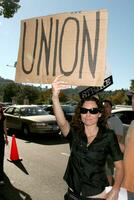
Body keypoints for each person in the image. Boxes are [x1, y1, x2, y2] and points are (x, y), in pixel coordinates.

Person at [52, 75, 124, 200]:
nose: (88, 115)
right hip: (72, 194)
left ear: (99, 114)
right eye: (84, 111)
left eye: (93, 111)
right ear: (80, 114)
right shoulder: (75, 133)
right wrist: (55, 97)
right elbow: (62, 123)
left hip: (96, 194)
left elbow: (119, 166)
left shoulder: (108, 136)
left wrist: (116, 189)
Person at [102, 99, 124, 186]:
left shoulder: (115, 120)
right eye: (103, 107)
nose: (105, 109)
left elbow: (119, 136)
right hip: (101, 150)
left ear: (111, 108)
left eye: (107, 106)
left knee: (108, 171)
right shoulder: (101, 119)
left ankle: (110, 189)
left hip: (109, 151)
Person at [122, 92, 134, 199]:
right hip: (126, 182)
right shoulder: (132, 123)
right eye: (133, 98)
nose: (133, 101)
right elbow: (128, 150)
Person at [0, 105, 8, 185]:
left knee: (1, 157)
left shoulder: (3, 117)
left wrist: (6, 138)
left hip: (1, 140)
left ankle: (1, 178)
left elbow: (5, 128)